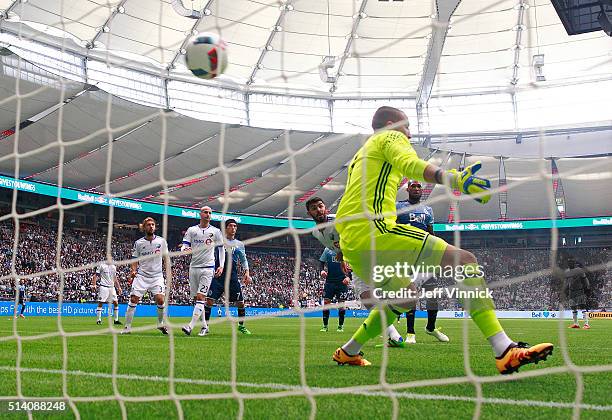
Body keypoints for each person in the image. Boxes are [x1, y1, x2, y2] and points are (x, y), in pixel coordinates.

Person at [331, 105, 553, 374]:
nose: (409, 135)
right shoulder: (390, 137)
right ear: (391, 124)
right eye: (407, 127)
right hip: (374, 229)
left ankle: (348, 351)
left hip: (352, 241)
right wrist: (453, 179)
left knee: (406, 297)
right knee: (464, 261)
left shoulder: (362, 153)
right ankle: (504, 350)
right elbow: (411, 165)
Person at [306, 197, 405, 347]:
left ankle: (394, 321)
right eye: (314, 208)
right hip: (357, 260)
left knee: (372, 295)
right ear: (309, 213)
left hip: (367, 253)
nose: (318, 210)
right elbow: (337, 247)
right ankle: (394, 335)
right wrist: (341, 257)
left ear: (326, 208)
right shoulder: (315, 233)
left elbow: (356, 233)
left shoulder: (338, 221)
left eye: (320, 206)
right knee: (367, 298)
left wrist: (343, 254)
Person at [396, 180, 448, 343]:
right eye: (414, 186)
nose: (417, 189)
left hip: (425, 258)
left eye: (419, 187)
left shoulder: (428, 209)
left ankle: (431, 328)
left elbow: (431, 235)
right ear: (408, 189)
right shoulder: (397, 206)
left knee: (432, 296)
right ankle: (410, 333)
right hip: (406, 257)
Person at [181, 206, 225, 336]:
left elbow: (221, 249)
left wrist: (221, 265)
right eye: (205, 212)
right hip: (193, 267)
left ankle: (190, 326)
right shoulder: (192, 230)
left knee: (201, 297)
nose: (208, 214)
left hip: (208, 267)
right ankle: (205, 326)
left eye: (210, 213)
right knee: (196, 299)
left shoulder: (216, 231)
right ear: (200, 214)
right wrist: (184, 250)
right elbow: (185, 245)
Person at [122, 217, 169, 335]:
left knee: (160, 299)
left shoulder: (161, 242)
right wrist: (133, 270)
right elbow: (134, 259)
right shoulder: (138, 243)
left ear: (155, 227)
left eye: (153, 224)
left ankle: (160, 323)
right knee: (133, 299)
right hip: (142, 276)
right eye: (148, 225)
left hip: (157, 276)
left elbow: (166, 258)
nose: (151, 226)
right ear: (144, 227)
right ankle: (127, 328)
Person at [206, 219, 252, 335]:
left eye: (235, 226)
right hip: (218, 276)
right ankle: (205, 326)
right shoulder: (218, 241)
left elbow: (243, 260)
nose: (233, 228)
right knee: (209, 301)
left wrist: (247, 272)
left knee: (240, 303)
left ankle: (241, 326)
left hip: (232, 277)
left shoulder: (239, 244)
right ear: (226, 228)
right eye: (231, 226)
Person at [318, 247, 350, 332]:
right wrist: (321, 270)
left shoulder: (345, 248)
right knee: (326, 303)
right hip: (330, 282)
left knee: (341, 305)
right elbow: (321, 262)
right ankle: (325, 326)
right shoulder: (327, 249)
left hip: (342, 282)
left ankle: (340, 326)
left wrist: (349, 277)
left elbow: (353, 264)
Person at [92, 257, 122, 325]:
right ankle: (99, 320)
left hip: (112, 287)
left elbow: (115, 278)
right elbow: (95, 276)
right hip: (104, 287)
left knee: (116, 303)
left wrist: (119, 287)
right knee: (101, 303)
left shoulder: (113, 267)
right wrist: (94, 284)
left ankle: (116, 320)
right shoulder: (101, 266)